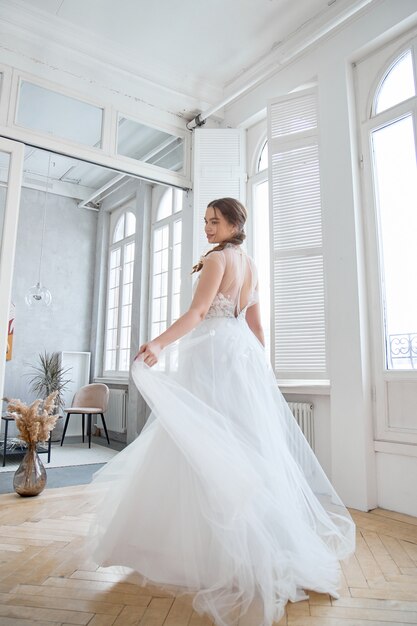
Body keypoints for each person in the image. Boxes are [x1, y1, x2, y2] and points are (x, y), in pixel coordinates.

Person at [88, 197, 355, 626]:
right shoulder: (250, 265)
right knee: (237, 446)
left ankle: (200, 554)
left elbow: (197, 313)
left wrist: (158, 344)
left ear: (234, 224)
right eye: (206, 221)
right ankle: (259, 547)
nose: (208, 228)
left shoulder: (218, 262)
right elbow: (256, 327)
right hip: (241, 359)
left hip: (212, 355)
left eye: (215, 221)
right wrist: (260, 373)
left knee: (199, 442)